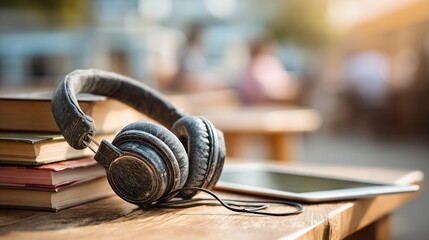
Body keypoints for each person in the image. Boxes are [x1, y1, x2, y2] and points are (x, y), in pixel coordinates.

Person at [237, 36, 298, 105]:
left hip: (271, 103)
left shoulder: (269, 62)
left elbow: (284, 82)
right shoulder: (255, 67)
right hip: (265, 105)